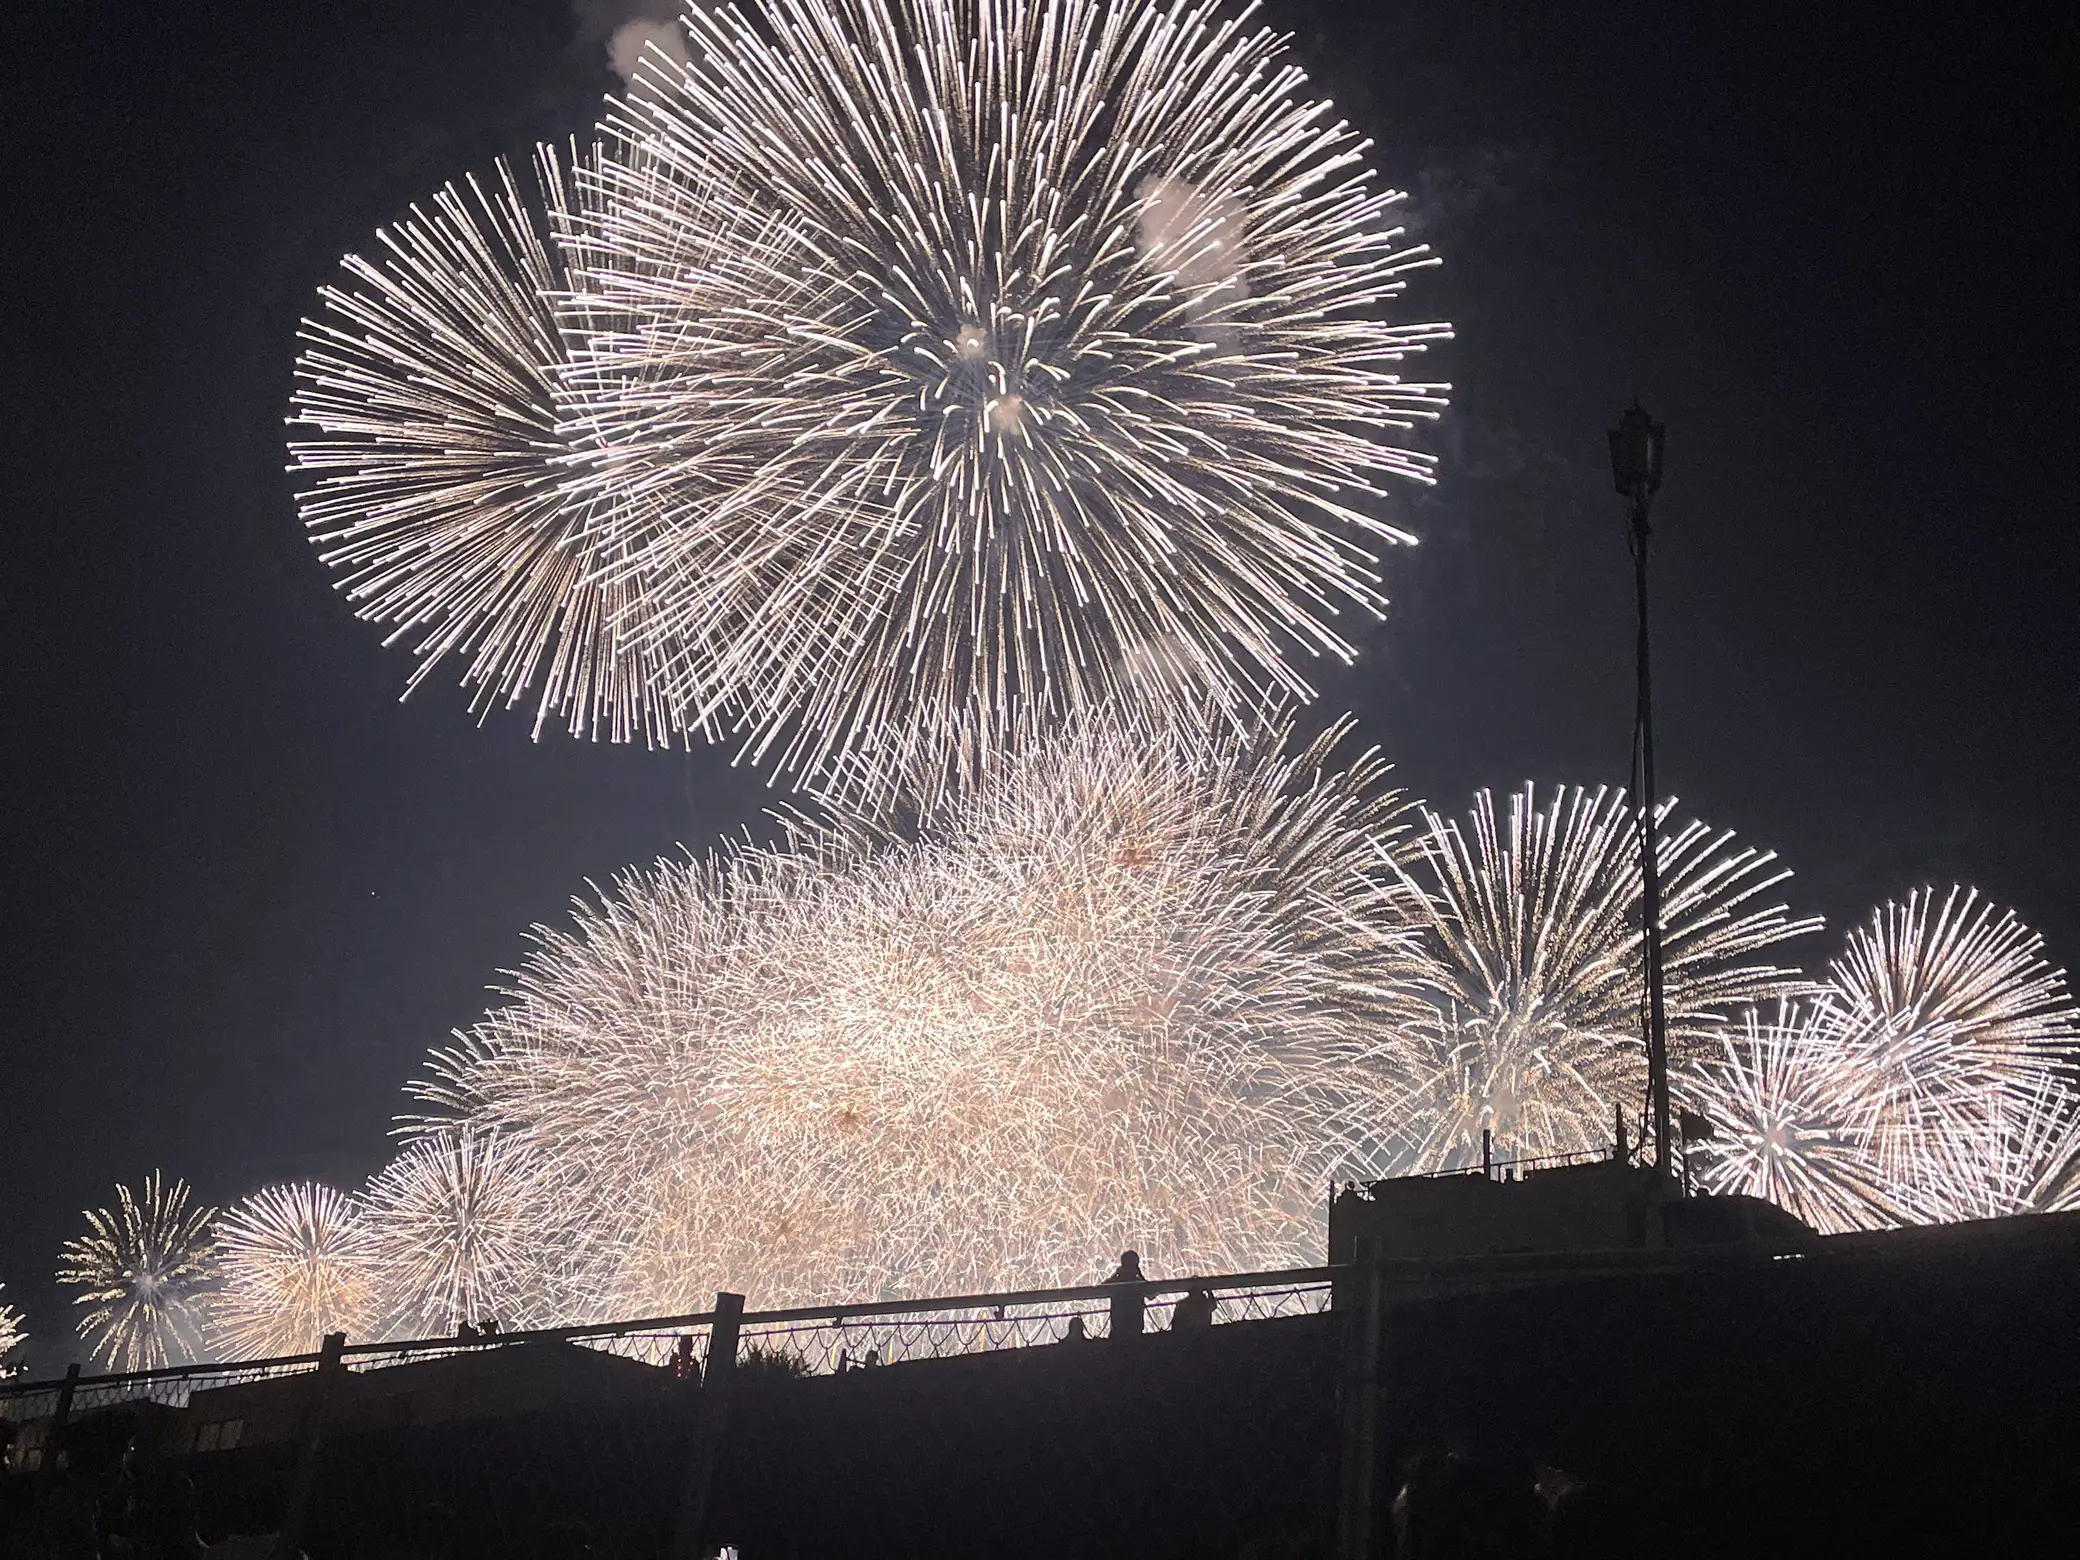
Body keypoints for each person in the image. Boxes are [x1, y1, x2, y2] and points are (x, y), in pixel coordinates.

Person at [1103, 1250, 1146, 1340]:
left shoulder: (1116, 1282)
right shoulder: (1138, 1283)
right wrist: (1141, 1276)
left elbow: (1102, 1288)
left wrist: (1115, 1275)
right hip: (1135, 1330)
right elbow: (1152, 1294)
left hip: (1118, 1330)